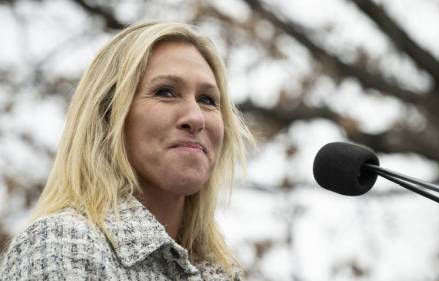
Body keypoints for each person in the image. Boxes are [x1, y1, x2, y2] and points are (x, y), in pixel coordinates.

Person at [0, 21, 252, 280]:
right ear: (108, 116)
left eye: (207, 100)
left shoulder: (222, 272)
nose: (196, 117)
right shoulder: (61, 245)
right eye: (165, 92)